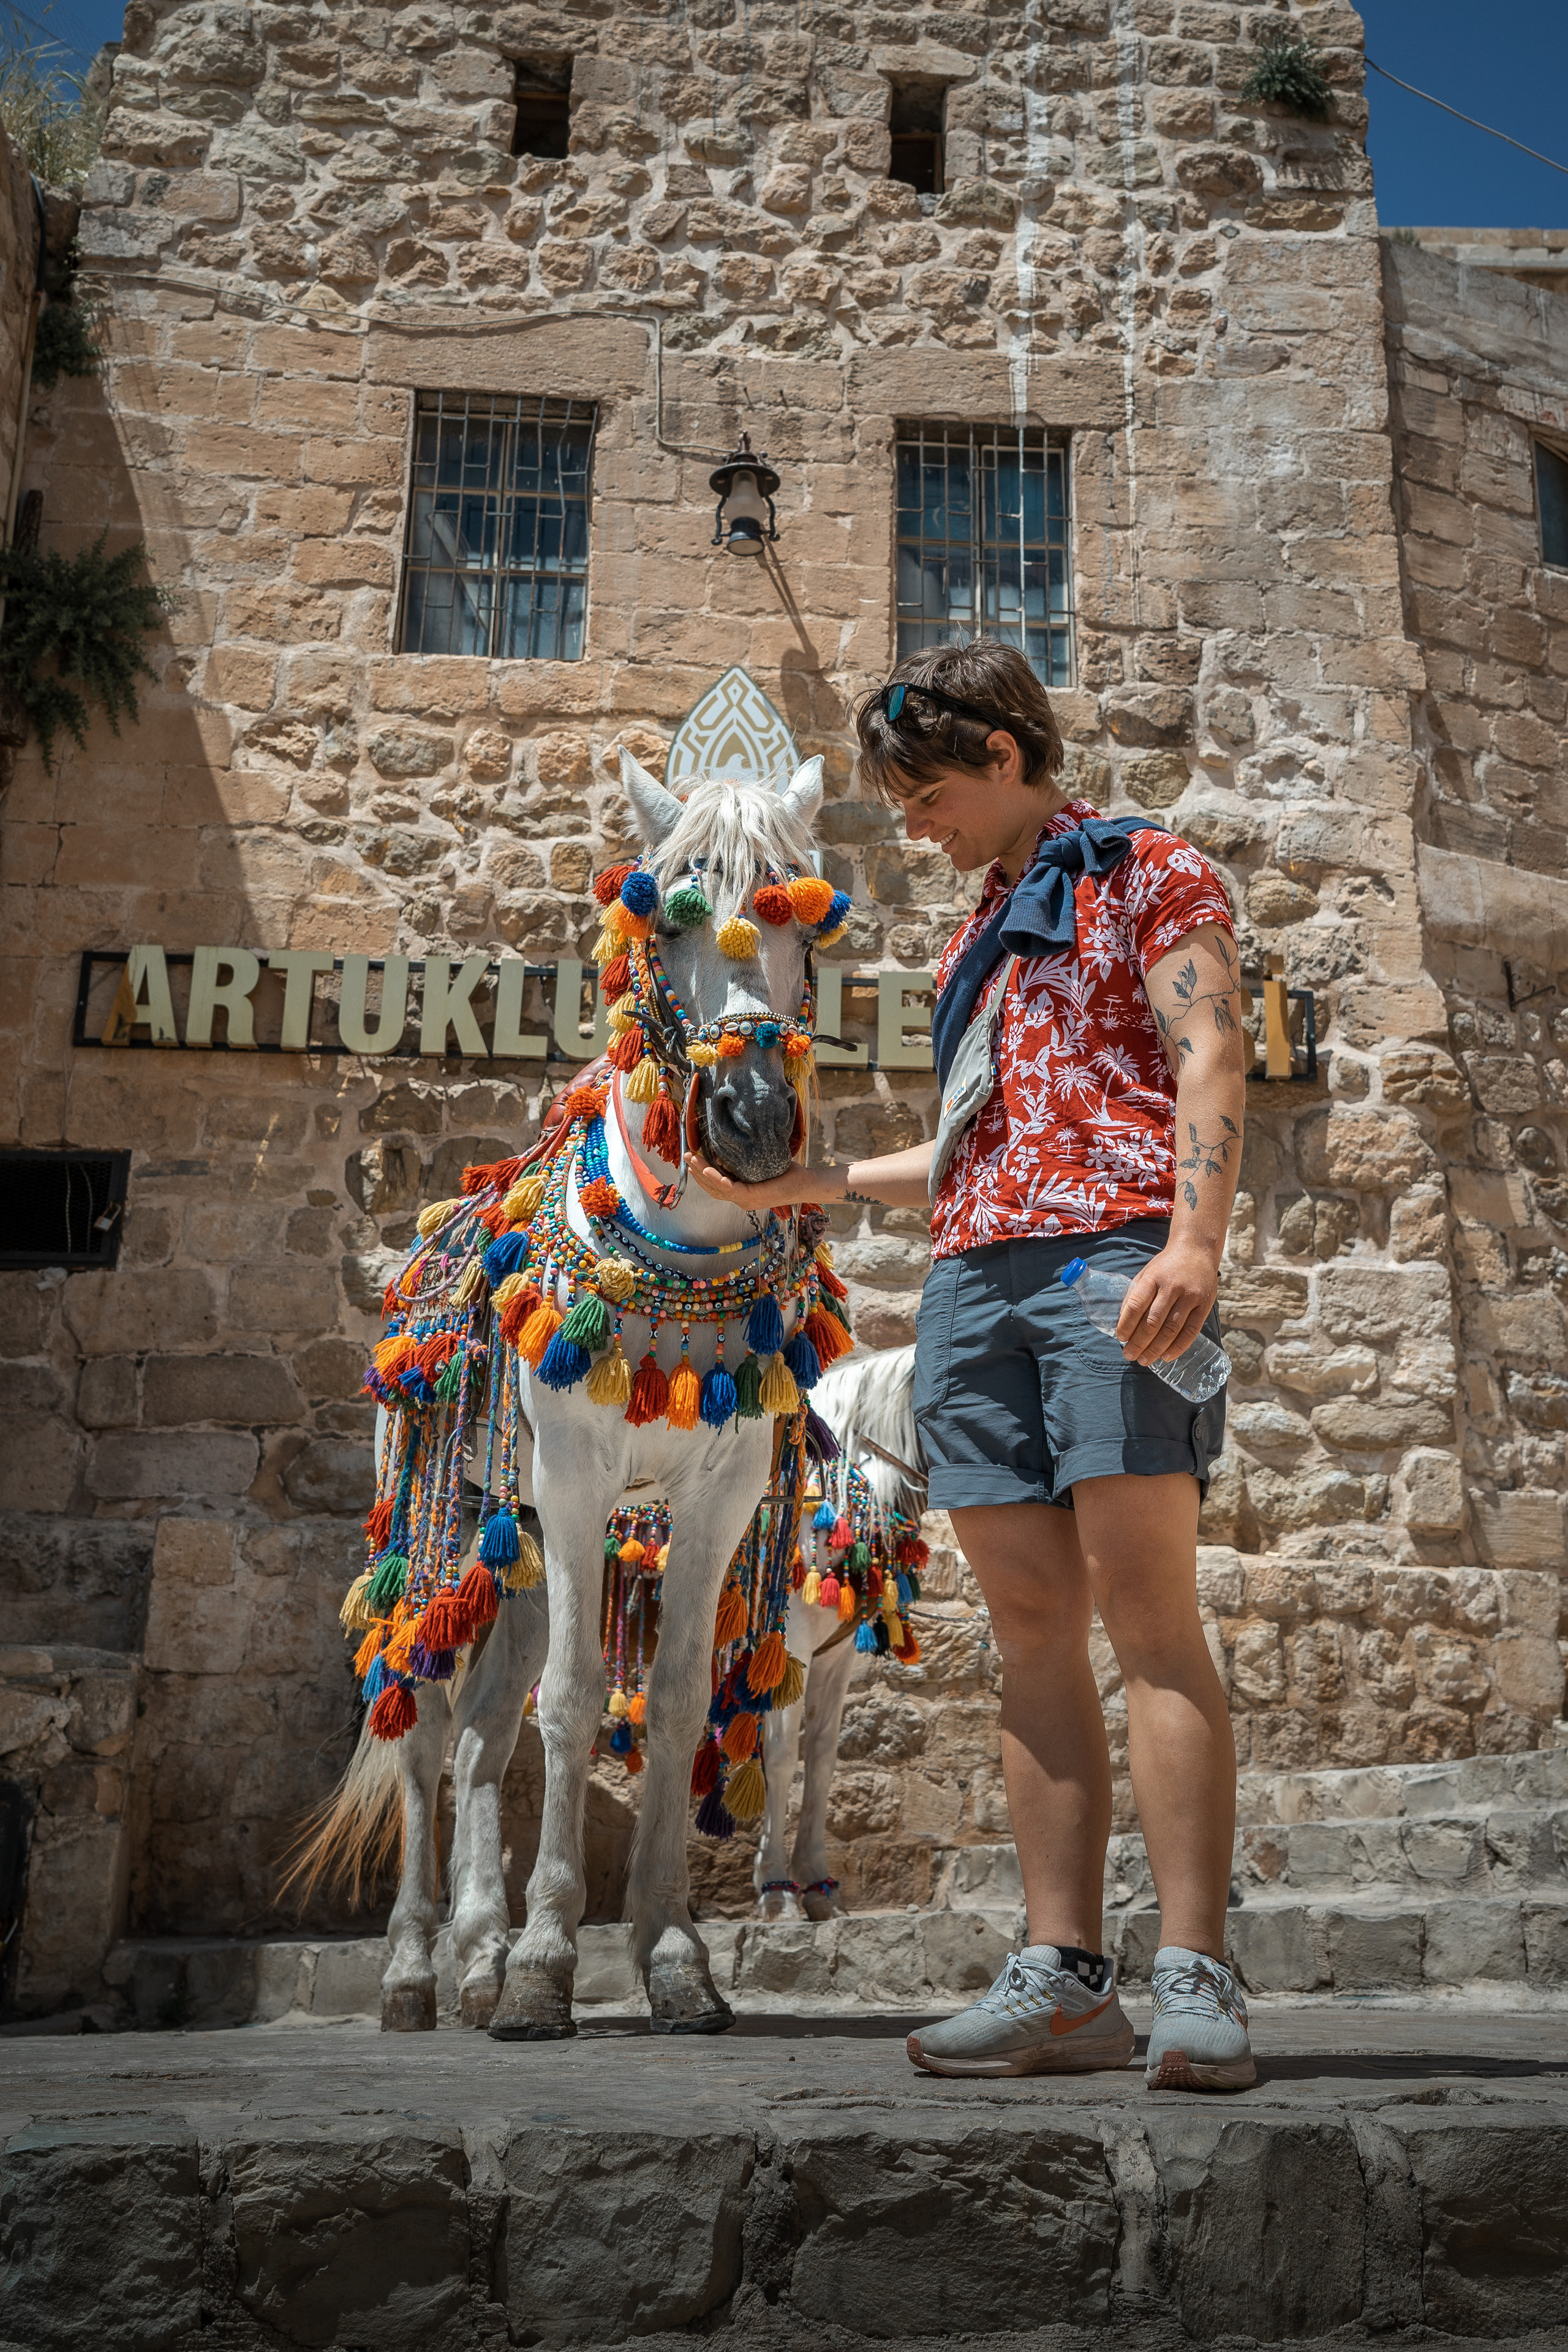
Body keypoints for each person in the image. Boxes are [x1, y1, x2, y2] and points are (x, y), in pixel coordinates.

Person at [690, 639, 1255, 2092]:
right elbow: (965, 1152)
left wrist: (1193, 1245)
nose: (918, 829)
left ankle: (1195, 1974)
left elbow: (1207, 1051)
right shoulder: (982, 930)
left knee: (1149, 1622)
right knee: (1027, 1632)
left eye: (930, 798)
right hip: (970, 1285)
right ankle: (1063, 1980)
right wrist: (808, 1184)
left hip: (1109, 1266)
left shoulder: (1149, 872)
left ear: (1005, 755)